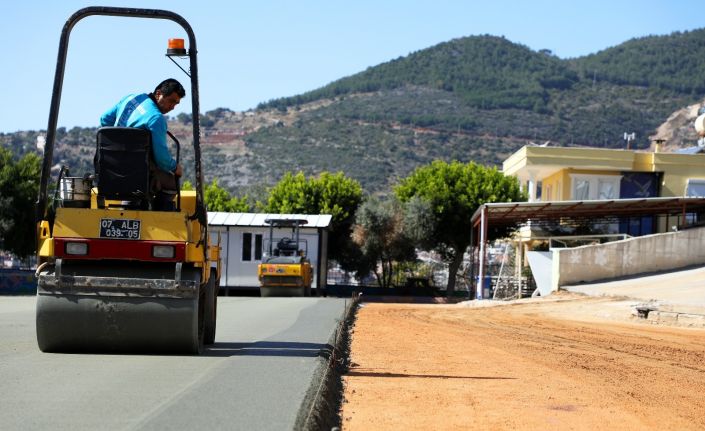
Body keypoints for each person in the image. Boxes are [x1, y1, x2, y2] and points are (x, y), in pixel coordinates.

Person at [100, 78, 185, 210]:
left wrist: (119, 139)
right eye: (171, 101)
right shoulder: (156, 118)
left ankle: (130, 205)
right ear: (158, 94)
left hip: (111, 169)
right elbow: (162, 159)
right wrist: (175, 167)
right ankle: (159, 219)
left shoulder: (131, 98)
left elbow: (104, 119)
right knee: (171, 181)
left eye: (176, 104)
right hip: (139, 174)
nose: (172, 107)